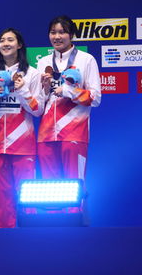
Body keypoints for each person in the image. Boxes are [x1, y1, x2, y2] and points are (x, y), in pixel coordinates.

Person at [0, 28, 43, 228]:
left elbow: (38, 110)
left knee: (26, 194)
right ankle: (5, 238)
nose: (5, 43)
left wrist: (22, 89)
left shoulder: (32, 74)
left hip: (24, 143)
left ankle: (29, 234)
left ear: (19, 44)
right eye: (2, 40)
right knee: (2, 195)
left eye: (10, 40)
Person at [37, 15, 101, 180]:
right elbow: (40, 101)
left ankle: (77, 208)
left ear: (71, 35)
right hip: (46, 134)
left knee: (75, 186)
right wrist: (44, 89)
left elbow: (95, 98)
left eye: (62, 32)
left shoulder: (86, 60)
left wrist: (69, 91)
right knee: (49, 189)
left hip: (75, 132)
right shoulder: (43, 62)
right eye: (53, 32)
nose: (57, 37)